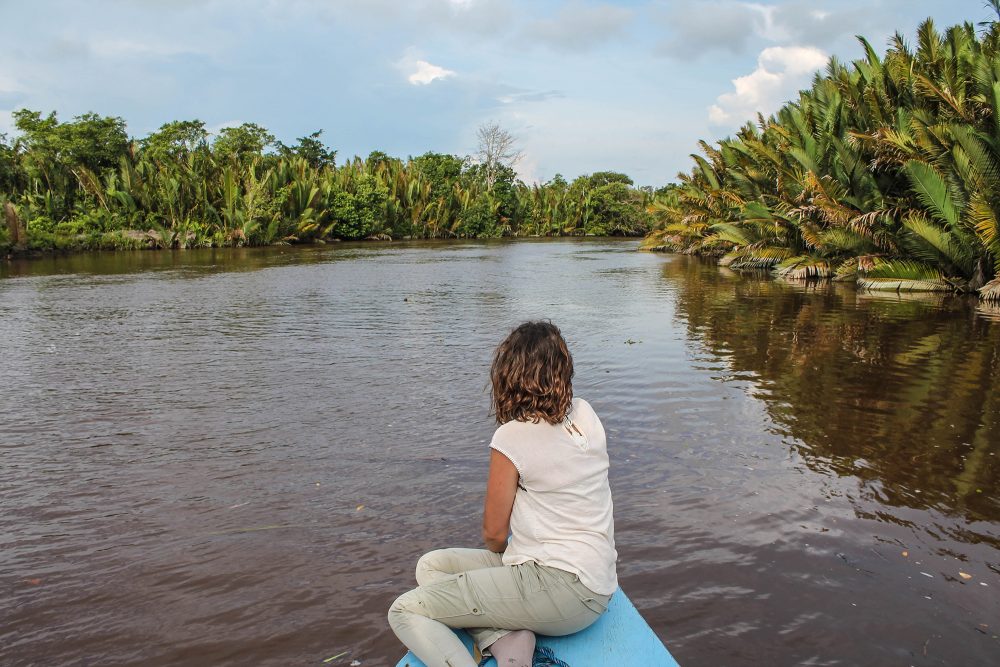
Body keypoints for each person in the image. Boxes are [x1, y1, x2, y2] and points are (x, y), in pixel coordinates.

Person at [388, 321, 618, 667]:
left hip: (562, 589)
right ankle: (505, 640)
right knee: (432, 566)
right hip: (595, 582)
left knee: (404, 609)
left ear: (510, 377)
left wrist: (507, 568)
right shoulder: (585, 413)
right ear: (562, 370)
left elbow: (494, 535)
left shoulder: (512, 437)